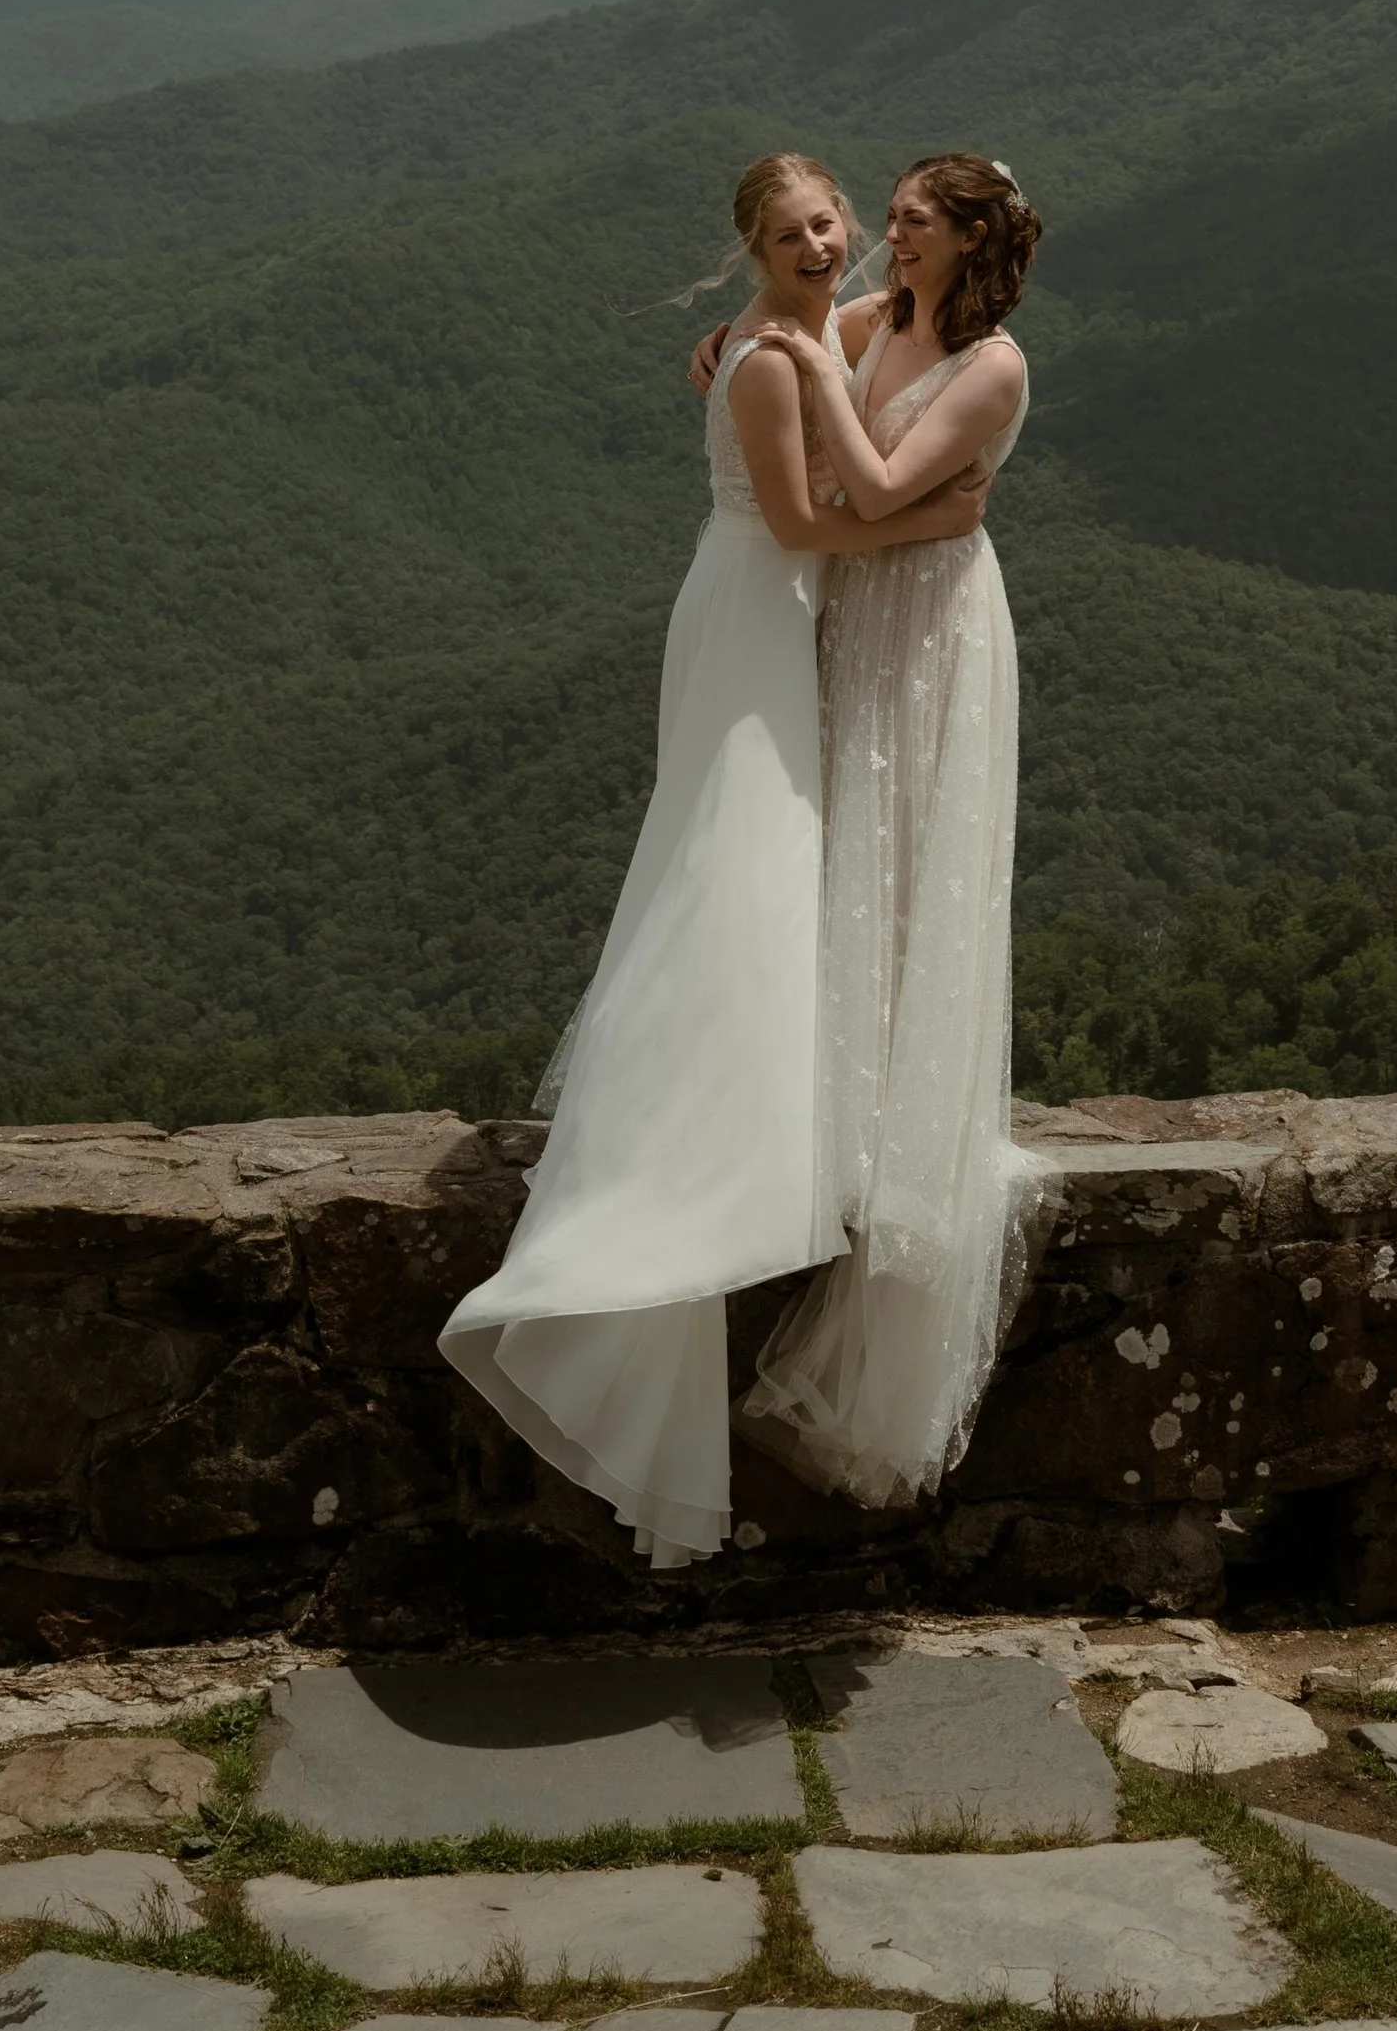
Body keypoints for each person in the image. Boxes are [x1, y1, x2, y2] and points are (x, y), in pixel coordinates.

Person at [437, 152, 992, 1566]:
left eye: (832, 223)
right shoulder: (770, 356)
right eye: (793, 230)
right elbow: (810, 522)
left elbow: (869, 347)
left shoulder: (823, 329)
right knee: (733, 867)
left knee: (757, 868)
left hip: (782, 619)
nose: (822, 242)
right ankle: (694, 1156)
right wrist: (936, 517)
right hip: (759, 612)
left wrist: (778, 346)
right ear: (751, 243)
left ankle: (768, 1118)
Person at [735, 153, 1046, 1510]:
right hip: (863, 616)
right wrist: (745, 345)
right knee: (842, 856)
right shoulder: (877, 320)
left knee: (911, 864)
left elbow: (863, 487)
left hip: (931, 632)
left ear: (969, 238)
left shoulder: (995, 367)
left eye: (913, 218)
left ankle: (897, 1144)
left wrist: (804, 374)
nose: (886, 231)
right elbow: (779, 357)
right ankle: (835, 1116)